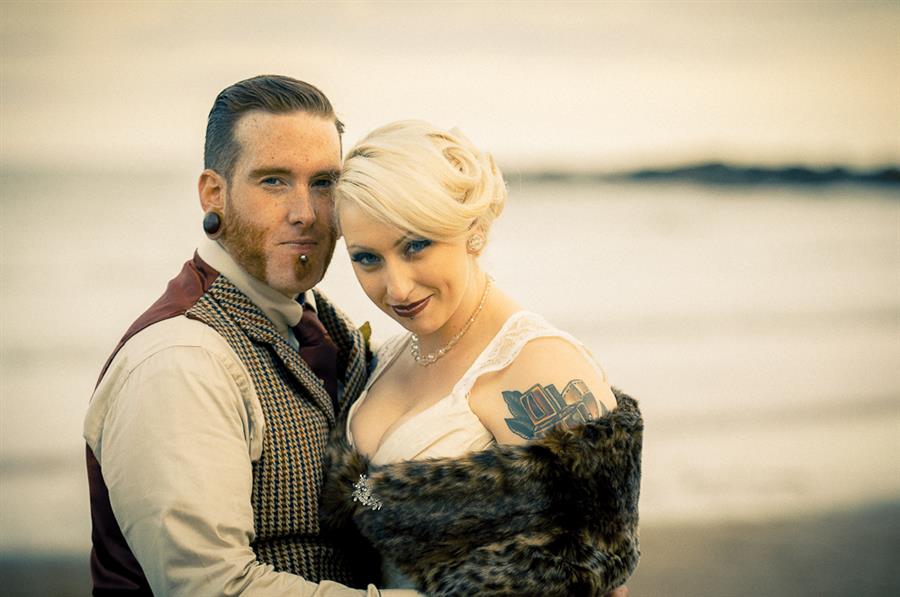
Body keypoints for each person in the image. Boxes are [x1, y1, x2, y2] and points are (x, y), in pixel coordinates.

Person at [83, 76, 421, 596]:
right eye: (273, 181)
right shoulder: (181, 360)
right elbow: (213, 588)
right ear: (213, 193)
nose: (305, 212)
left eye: (324, 183)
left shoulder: (335, 336)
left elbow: (359, 495)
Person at [322, 121, 641, 596]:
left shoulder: (539, 366)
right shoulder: (388, 355)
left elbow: (598, 571)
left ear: (471, 231)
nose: (397, 288)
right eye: (367, 258)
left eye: (416, 245)